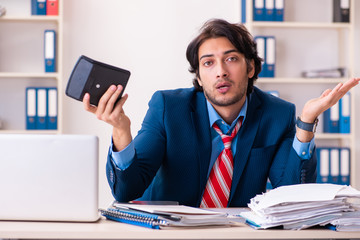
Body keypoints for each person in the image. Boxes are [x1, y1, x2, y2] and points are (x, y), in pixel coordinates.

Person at [83, 19, 359, 207]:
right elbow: (126, 191)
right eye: (208, 63)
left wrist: (306, 123)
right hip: (169, 235)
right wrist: (120, 129)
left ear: (250, 69)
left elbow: (292, 191)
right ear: (200, 77)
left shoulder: (278, 114)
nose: (221, 71)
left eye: (231, 59)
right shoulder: (168, 108)